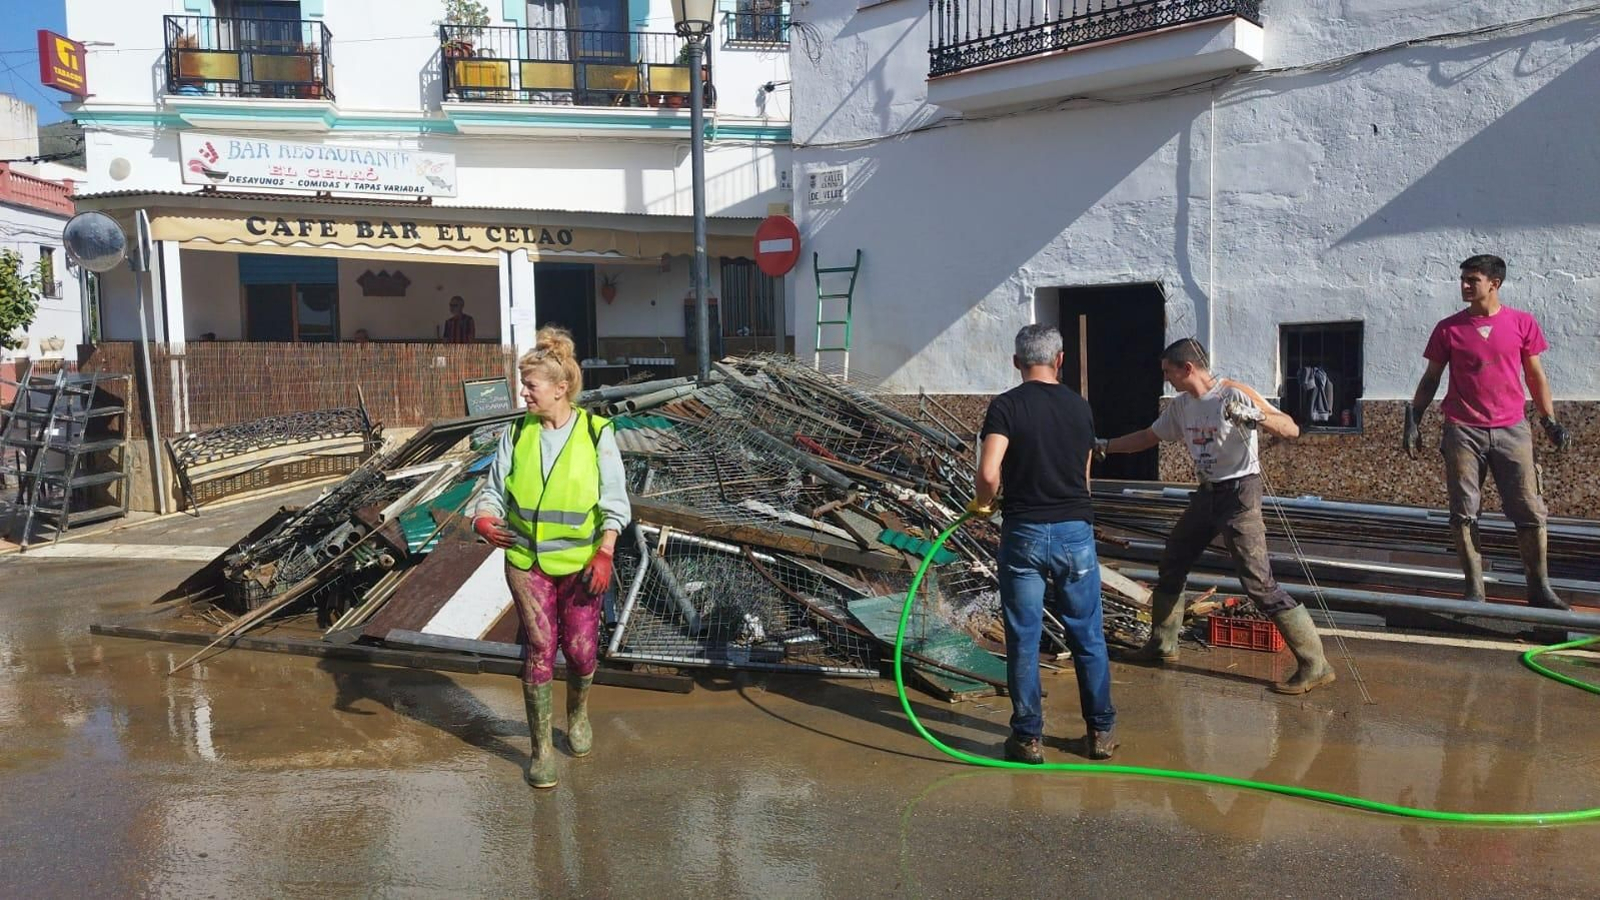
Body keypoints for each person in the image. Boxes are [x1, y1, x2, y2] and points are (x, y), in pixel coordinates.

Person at [1099, 338, 1335, 695]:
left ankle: (1315, 664)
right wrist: (1105, 445)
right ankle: (1163, 645)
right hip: (1208, 493)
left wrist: (1257, 416)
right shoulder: (1182, 407)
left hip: (1240, 493)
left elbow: (1291, 428)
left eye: (1168, 372)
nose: (1166, 379)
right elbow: (1149, 436)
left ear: (1187, 368)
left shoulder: (1233, 393)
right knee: (1173, 560)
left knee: (1258, 582)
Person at [471, 325, 631, 788]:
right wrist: (483, 519)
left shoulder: (596, 433)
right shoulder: (517, 434)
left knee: (580, 652)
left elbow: (615, 502)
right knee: (541, 648)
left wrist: (605, 552)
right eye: (523, 385)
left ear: (561, 389)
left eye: (531, 385)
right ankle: (541, 751)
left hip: (583, 565)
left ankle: (577, 714)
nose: (523, 393)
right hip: (525, 561)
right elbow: (494, 491)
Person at [968, 324, 1116, 764]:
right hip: (1075, 531)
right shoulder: (1080, 407)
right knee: (1088, 634)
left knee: (1024, 638)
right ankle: (1101, 733)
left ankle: (1029, 739)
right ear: (1060, 360)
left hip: (1025, 533)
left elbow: (989, 473)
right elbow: (1084, 476)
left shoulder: (1006, 407)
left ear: (1016, 362)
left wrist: (982, 504)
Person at [1403, 255, 1572, 610]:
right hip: (1463, 430)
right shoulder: (1449, 329)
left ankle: (1539, 588)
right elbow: (1432, 377)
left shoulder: (1521, 323)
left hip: (1512, 428)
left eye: (1472, 280)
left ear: (1494, 284)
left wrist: (1549, 420)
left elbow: (1535, 376)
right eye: (1463, 279)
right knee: (1464, 512)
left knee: (1529, 510)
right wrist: (1413, 417)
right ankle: (1475, 590)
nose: (1464, 285)